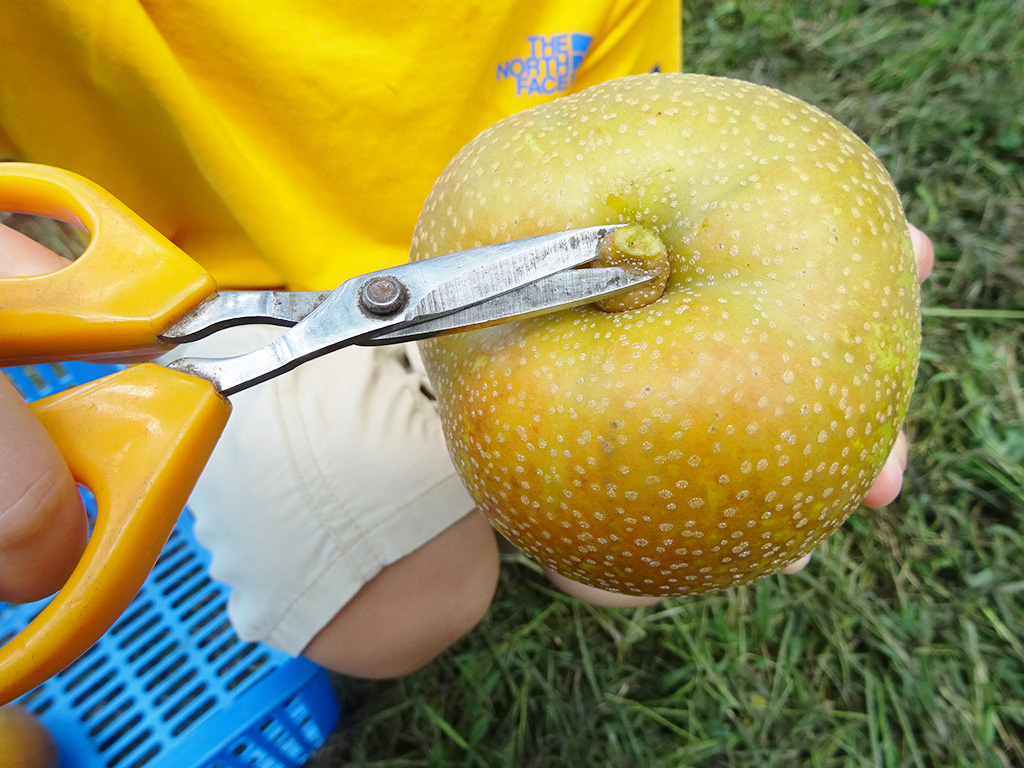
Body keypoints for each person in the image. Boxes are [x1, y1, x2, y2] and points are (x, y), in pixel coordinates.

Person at [0, 0, 934, 679]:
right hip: (231, 288)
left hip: (527, 244)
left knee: (624, 556)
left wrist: (728, 460)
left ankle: (561, 511)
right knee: (394, 611)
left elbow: (633, 113)